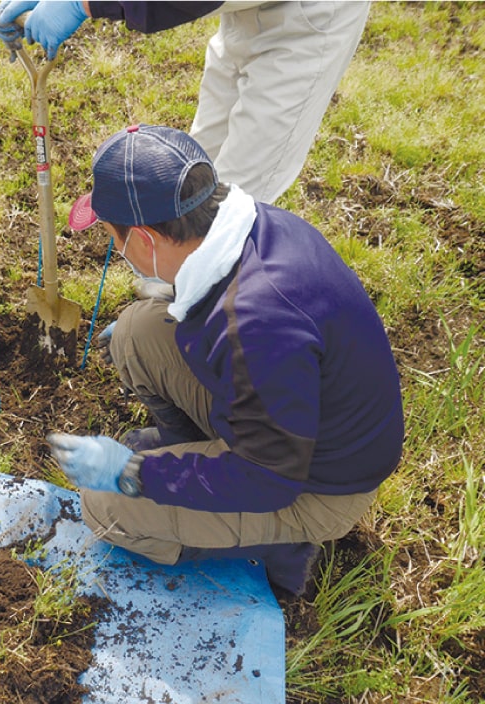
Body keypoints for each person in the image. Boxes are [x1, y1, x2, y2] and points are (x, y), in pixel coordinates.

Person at [46, 124, 404, 596]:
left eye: (115, 236)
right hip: (289, 431)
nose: (115, 248)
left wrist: (136, 474)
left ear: (147, 241)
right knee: (136, 334)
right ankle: (195, 458)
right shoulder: (250, 225)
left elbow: (270, 477)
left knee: (104, 510)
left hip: (313, 484)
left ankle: (288, 544)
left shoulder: (254, 324)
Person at [0, 1, 370, 205]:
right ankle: (171, 278)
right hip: (243, 9)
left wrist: (86, 1)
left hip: (311, 18)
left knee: (244, 188)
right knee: (202, 156)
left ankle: (203, 315)